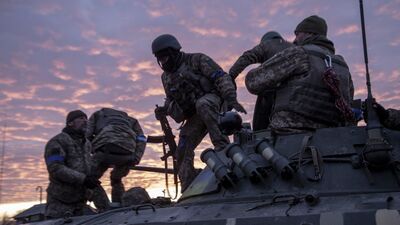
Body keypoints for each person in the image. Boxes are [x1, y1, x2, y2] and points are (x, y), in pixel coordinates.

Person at [151, 34, 246, 191]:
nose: (163, 62)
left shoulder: (197, 60)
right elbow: (171, 98)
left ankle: (223, 151)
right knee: (182, 147)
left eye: (165, 58)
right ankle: (188, 189)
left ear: (174, 52)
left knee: (203, 104)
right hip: (195, 115)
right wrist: (165, 109)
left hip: (213, 103)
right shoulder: (166, 77)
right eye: (160, 60)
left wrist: (231, 98)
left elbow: (221, 77)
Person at [245, 15, 354, 134]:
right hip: (331, 136)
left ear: (310, 34)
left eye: (298, 34)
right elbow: (349, 100)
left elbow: (253, 82)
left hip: (289, 134)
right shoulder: (342, 65)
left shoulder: (299, 54)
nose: (294, 40)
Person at [44, 110, 109, 218]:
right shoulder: (57, 141)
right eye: (80, 118)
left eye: (86, 119)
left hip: (81, 203)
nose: (85, 121)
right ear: (70, 123)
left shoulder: (87, 144)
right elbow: (55, 168)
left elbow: (87, 166)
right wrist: (83, 179)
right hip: (60, 204)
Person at [229, 31, 293, 130]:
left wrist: (231, 75)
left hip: (271, 91)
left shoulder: (266, 45)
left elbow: (247, 57)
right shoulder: (294, 47)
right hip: (293, 92)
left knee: (260, 126)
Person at [86, 108, 146, 203]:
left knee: (90, 179)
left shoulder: (97, 115)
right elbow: (142, 139)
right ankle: (119, 203)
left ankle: (104, 207)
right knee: (116, 178)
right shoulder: (131, 120)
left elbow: (86, 135)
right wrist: (137, 157)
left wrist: (87, 154)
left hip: (105, 149)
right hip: (128, 152)